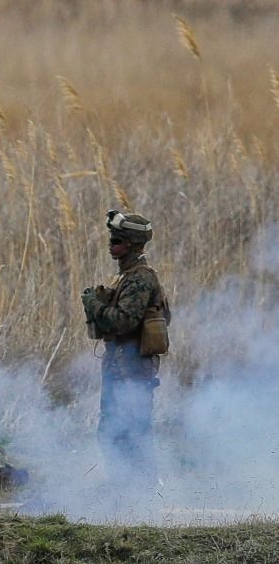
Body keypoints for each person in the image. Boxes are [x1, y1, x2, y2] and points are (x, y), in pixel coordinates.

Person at [81, 210, 170, 493]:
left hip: (132, 371)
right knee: (114, 431)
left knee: (132, 432)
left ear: (131, 244)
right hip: (121, 367)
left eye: (116, 240)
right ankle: (125, 490)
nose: (111, 245)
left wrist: (93, 304)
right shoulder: (128, 277)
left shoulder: (140, 279)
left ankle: (141, 494)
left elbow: (123, 321)